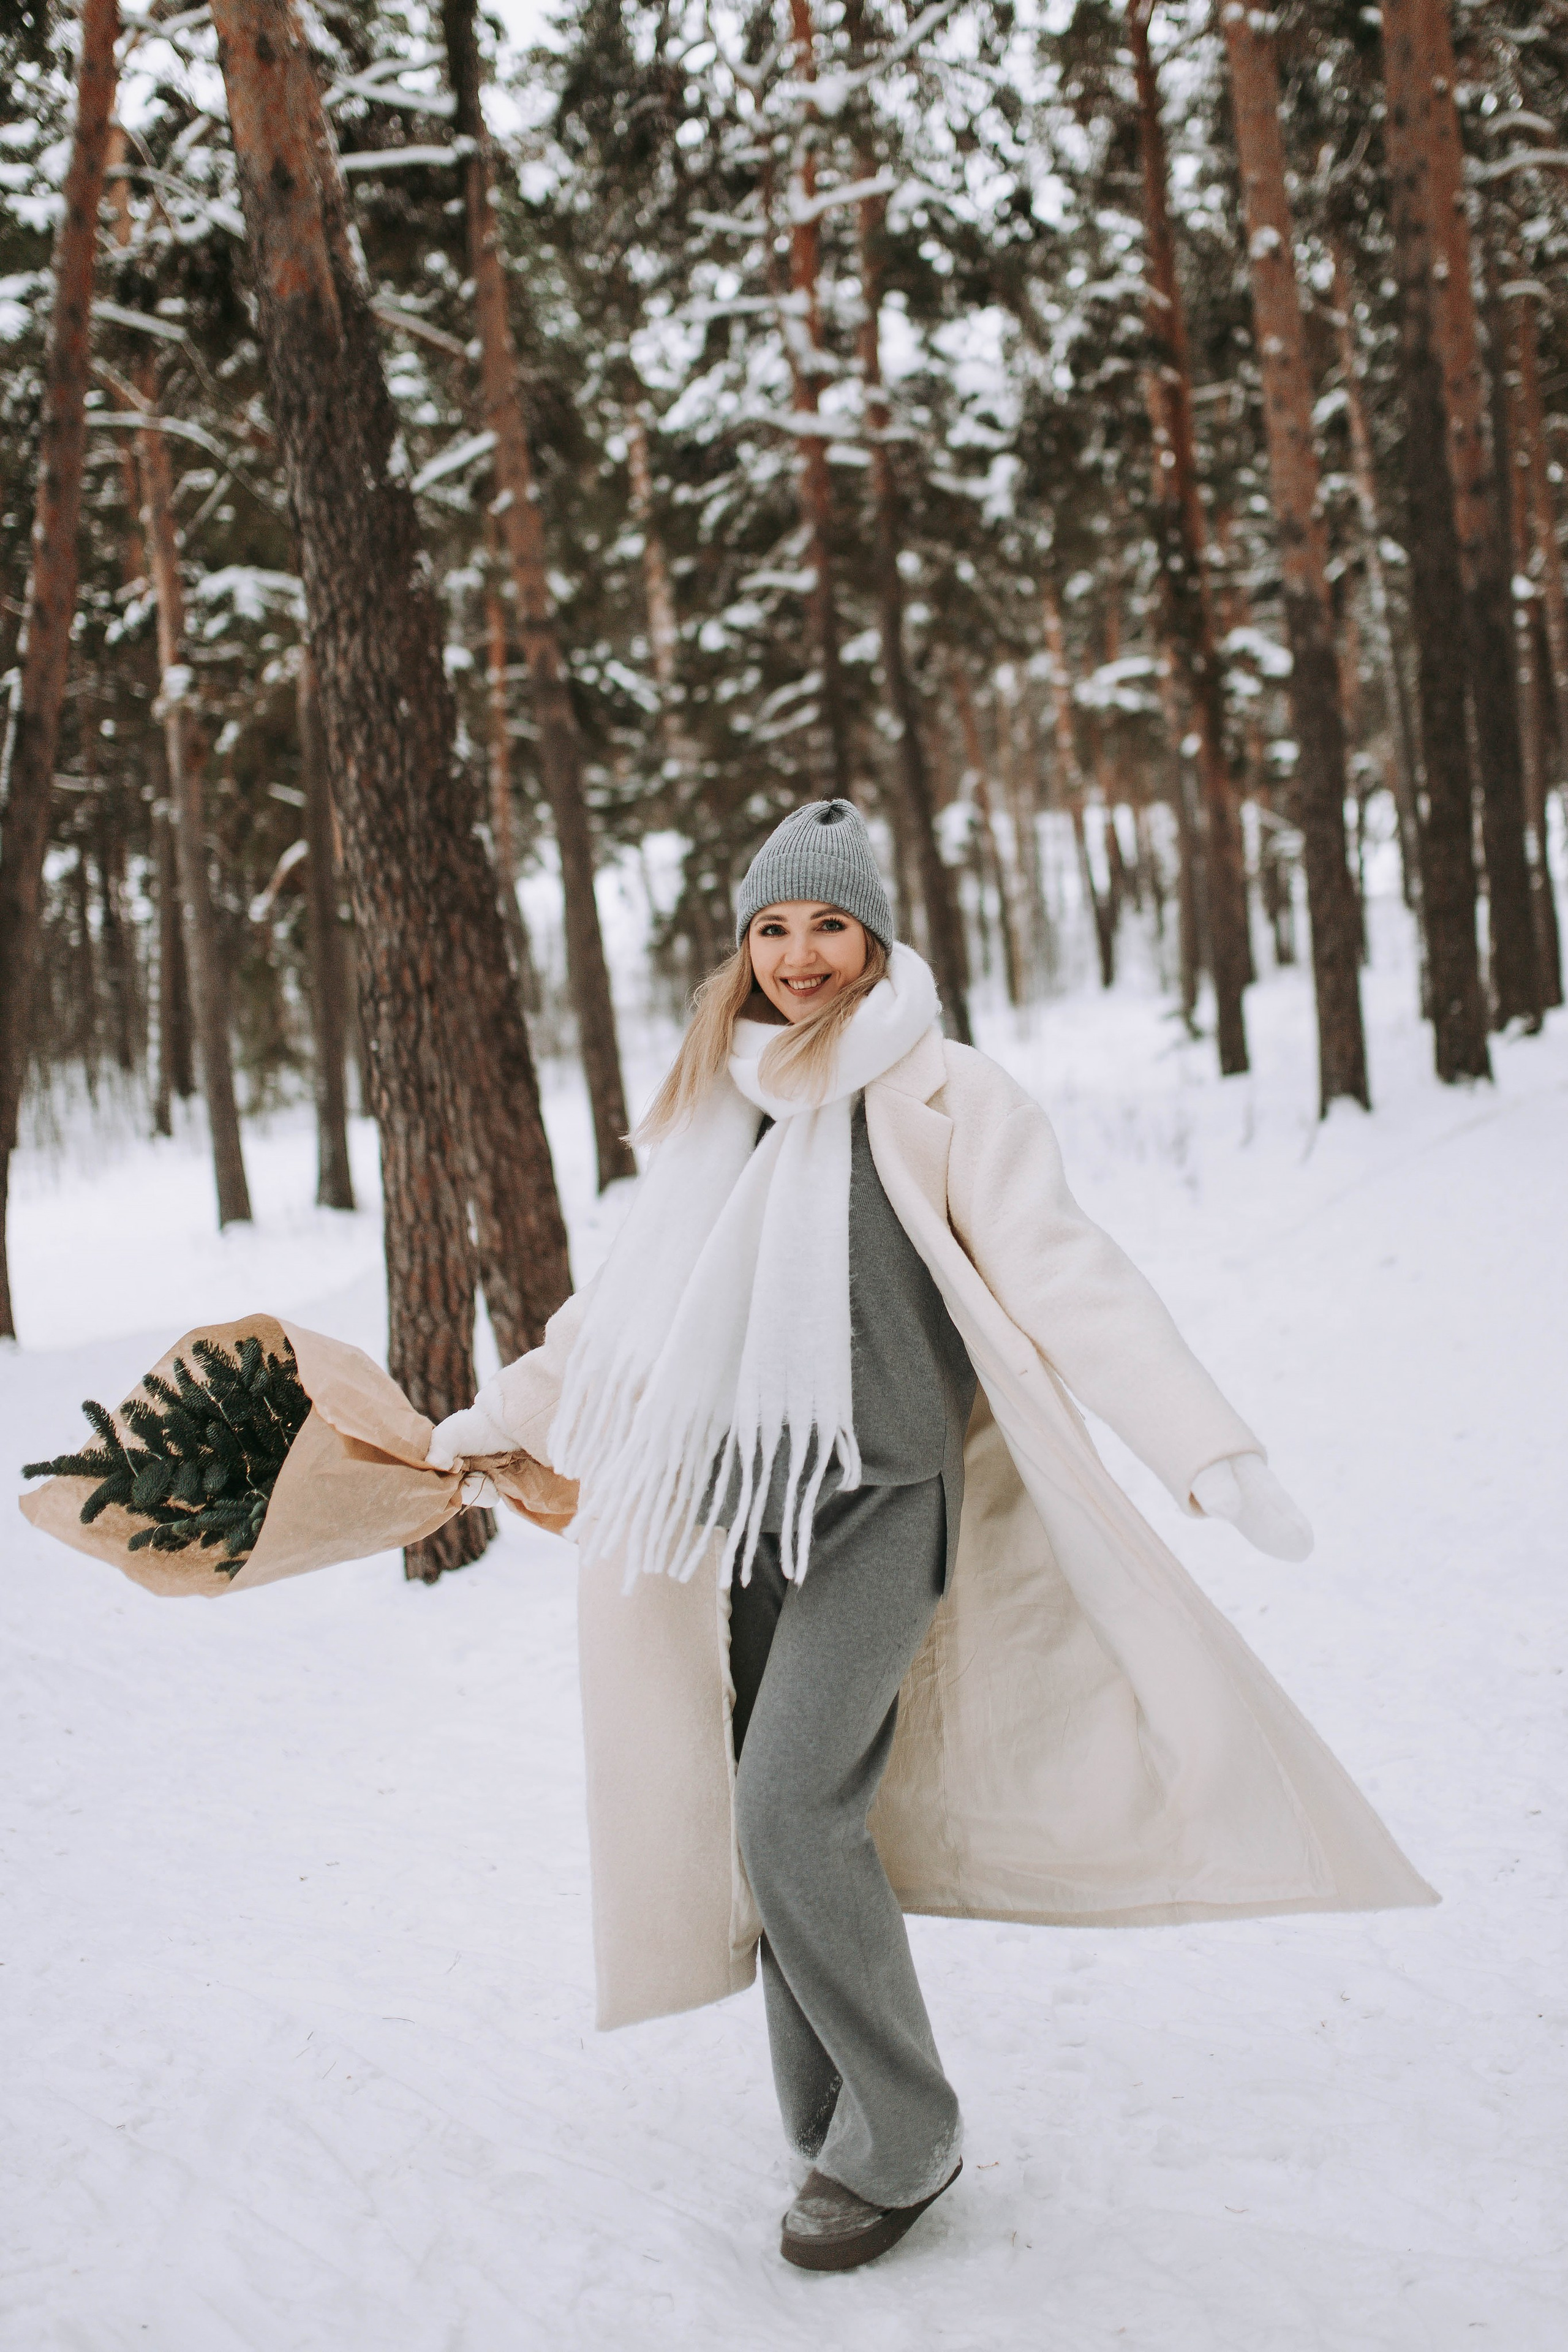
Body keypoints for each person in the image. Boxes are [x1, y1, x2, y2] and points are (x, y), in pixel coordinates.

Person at [428, 799, 1433, 2273]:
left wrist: (1204, 1447)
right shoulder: (719, 1107)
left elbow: (1064, 1271)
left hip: (881, 1505)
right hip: (737, 1510)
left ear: (876, 937)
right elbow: (620, 1316)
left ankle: (905, 2131)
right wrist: (499, 1415)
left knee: (788, 1810)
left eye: (827, 925)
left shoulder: (949, 1096)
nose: (798, 956)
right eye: (772, 928)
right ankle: (828, 2109)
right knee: (771, 1815)